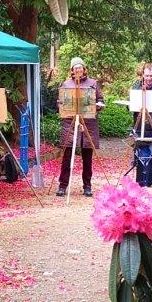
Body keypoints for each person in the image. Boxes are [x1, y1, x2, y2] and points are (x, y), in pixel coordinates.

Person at [56, 57, 104, 197]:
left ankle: (87, 185)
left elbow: (100, 100)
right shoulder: (66, 84)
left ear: (84, 69)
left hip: (88, 123)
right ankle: (63, 185)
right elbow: (59, 102)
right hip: (69, 123)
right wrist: (62, 107)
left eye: (80, 67)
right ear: (72, 70)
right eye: (75, 68)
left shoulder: (93, 83)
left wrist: (96, 106)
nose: (78, 70)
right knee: (67, 155)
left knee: (87, 157)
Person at [131, 63, 152, 188]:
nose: (149, 78)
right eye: (147, 76)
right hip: (140, 125)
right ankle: (143, 179)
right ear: (143, 75)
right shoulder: (137, 87)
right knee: (142, 153)